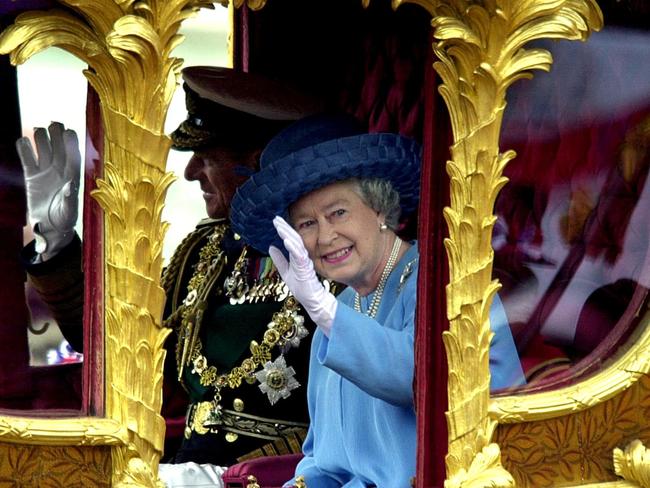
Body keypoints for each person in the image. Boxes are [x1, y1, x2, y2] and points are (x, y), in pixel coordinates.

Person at [17, 67, 325, 484]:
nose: (191, 172)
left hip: (281, 474)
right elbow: (122, 347)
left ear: (257, 163)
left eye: (208, 158)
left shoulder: (330, 258)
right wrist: (56, 243)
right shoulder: (204, 253)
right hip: (185, 467)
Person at [231, 113, 525, 487]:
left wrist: (325, 312)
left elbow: (418, 380)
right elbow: (323, 462)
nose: (324, 236)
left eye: (338, 212)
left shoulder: (444, 285)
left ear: (380, 208)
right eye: (306, 224)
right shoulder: (339, 310)